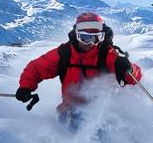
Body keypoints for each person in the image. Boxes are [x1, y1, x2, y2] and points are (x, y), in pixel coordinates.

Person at [15, 12, 143, 130]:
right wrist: (25, 87)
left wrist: (127, 67)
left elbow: (134, 76)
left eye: (96, 38)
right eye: (85, 38)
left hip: (104, 115)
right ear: (76, 35)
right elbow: (36, 68)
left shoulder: (107, 54)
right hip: (70, 113)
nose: (91, 43)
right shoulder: (65, 54)